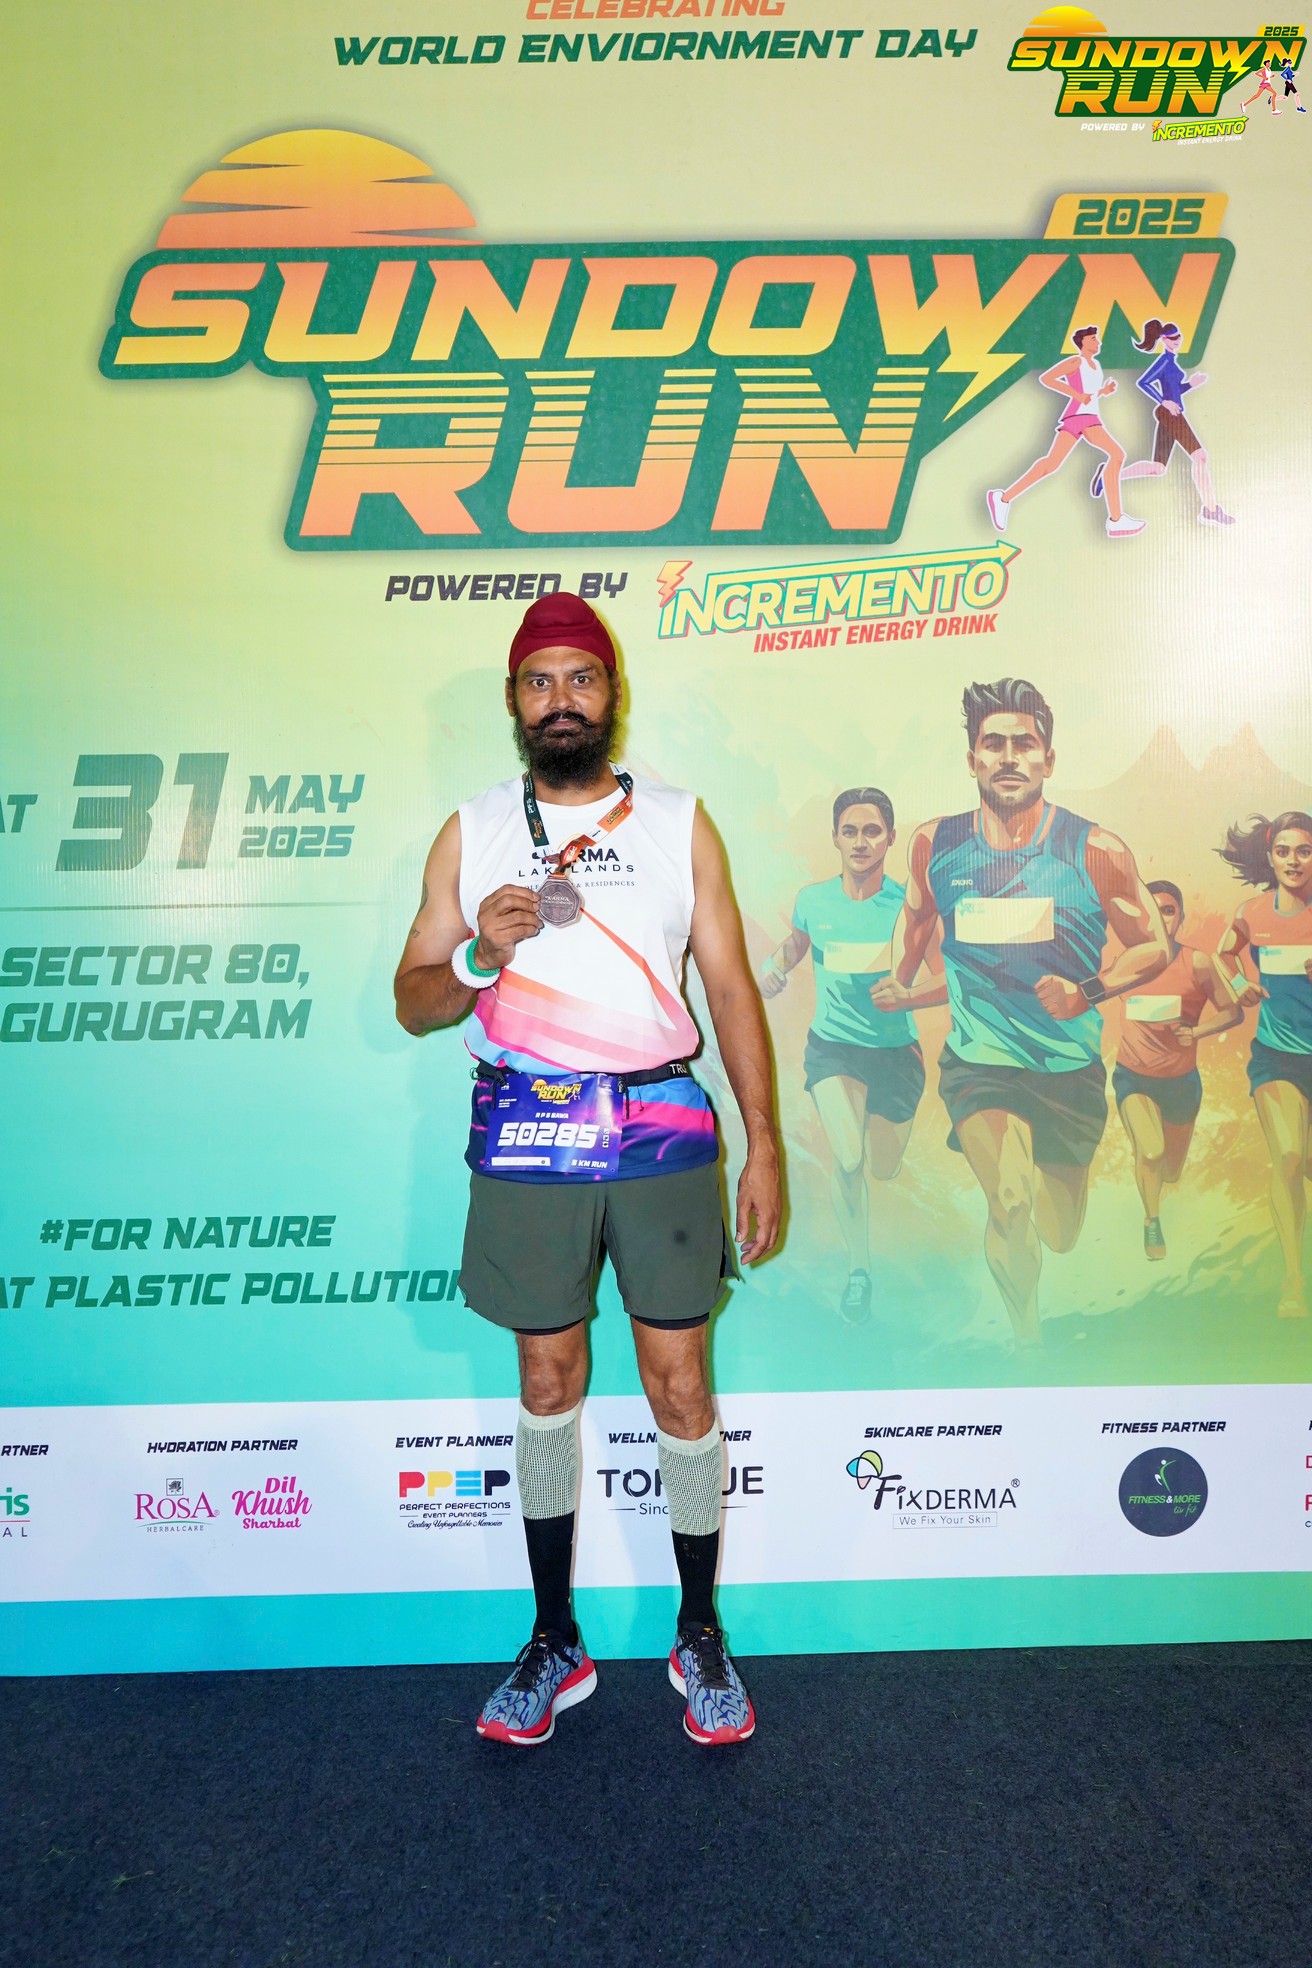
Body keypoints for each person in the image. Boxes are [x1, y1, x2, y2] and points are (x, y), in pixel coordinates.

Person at [395, 591, 780, 1746]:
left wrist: (764, 1143)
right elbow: (414, 1000)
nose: (560, 699)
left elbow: (730, 989)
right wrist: (479, 952)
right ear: (514, 700)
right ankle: (553, 1637)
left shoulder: (677, 821)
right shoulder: (471, 829)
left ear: (612, 693)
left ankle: (698, 1632)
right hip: (530, 1134)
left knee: (680, 1385)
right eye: (539, 680)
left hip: (662, 1128)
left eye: (581, 677)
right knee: (548, 1380)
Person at [891, 678, 1170, 1349]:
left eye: (1024, 743)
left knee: (1059, 1229)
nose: (1009, 756)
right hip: (978, 1064)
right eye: (994, 744)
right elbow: (917, 917)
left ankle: (1056, 1233)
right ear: (972, 760)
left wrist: (1087, 992)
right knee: (1010, 1202)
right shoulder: (935, 843)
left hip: (1067, 1069)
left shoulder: (1095, 849)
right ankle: (1029, 1348)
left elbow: (1153, 947)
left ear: (1049, 758)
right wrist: (898, 982)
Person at [760, 787, 942, 1323]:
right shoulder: (813, 900)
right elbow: (798, 944)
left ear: (890, 838)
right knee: (847, 1158)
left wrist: (908, 997)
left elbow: (947, 977)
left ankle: (883, 1166)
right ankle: (859, 1271)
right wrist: (775, 965)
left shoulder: (911, 909)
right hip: (833, 1050)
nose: (861, 842)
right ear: (836, 838)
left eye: (872, 831)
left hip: (895, 1056)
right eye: (850, 831)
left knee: (882, 1167)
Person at [1112, 880, 1241, 1260]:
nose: (1160, 917)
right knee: (1151, 1152)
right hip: (1133, 1077)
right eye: (1152, 909)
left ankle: (1153, 1175)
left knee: (1170, 1170)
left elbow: (1233, 1012)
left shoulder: (1197, 962)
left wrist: (1196, 1032)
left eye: (1168, 910)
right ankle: (1151, 1220)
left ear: (1180, 917)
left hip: (1181, 1083)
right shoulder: (1125, 963)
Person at [1216, 810, 1312, 1317]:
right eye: (1283, 851)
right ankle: (1293, 1279)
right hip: (1278, 1058)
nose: (1293, 861)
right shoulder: (1252, 912)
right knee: (1289, 1157)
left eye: (1304, 851)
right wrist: (1240, 985)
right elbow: (1224, 954)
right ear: (1270, 856)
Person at [986, 326, 1144, 541]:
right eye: (1093, 338)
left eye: (1097, 338)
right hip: (1080, 416)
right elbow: (1047, 378)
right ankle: (1116, 520)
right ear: (1083, 342)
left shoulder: (1096, 365)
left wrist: (1102, 391)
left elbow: (1089, 394)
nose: (1098, 342)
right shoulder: (1076, 361)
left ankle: (1003, 498)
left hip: (1087, 416)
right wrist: (1076, 395)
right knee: (1113, 455)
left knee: (1053, 464)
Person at [1094, 319, 1233, 527]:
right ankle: (1211, 511)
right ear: (1164, 340)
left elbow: (1175, 391)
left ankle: (1109, 476)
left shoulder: (1172, 362)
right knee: (1200, 457)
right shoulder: (1165, 361)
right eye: (1173, 338)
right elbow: (1144, 382)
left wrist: (1190, 385)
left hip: (1172, 413)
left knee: (1157, 468)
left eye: (1179, 336)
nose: (1178, 340)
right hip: (1170, 414)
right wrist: (1163, 401)